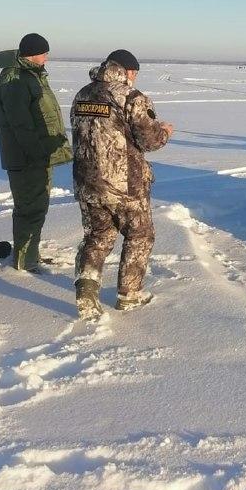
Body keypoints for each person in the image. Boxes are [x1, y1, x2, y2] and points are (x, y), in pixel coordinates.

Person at [70, 49, 173, 320]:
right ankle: (130, 294)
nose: (135, 78)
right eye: (134, 72)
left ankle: (87, 288)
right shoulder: (131, 97)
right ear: (126, 71)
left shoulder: (83, 94)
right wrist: (164, 131)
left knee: (98, 236)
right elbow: (150, 141)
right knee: (140, 235)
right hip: (124, 184)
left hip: (88, 182)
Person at [0, 34, 73, 271]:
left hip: (35, 155)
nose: (46, 57)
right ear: (33, 53)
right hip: (27, 158)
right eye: (44, 53)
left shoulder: (30, 75)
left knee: (36, 207)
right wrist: (38, 153)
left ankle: (29, 255)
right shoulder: (15, 79)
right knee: (30, 209)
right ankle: (25, 261)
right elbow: (21, 125)